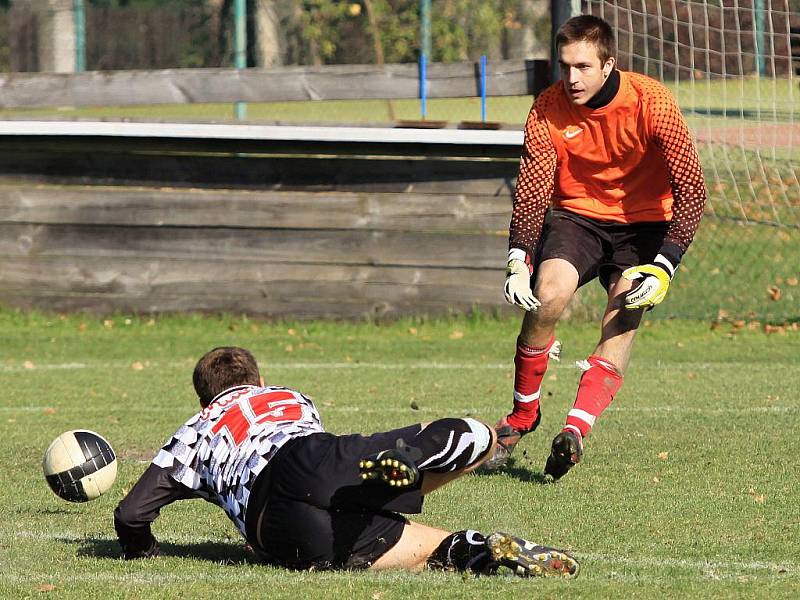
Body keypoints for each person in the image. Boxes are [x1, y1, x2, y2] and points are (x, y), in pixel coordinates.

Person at [114, 346, 579, 578]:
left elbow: (131, 514)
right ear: (259, 379)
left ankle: (475, 549)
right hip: (307, 461)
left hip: (272, 530)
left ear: (203, 398)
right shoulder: (289, 398)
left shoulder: (192, 433)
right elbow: (310, 460)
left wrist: (144, 551)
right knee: (474, 434)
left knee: (413, 551)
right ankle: (427, 456)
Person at [484, 14, 706, 479]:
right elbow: (532, 188)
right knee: (548, 295)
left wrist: (665, 265)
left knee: (623, 309)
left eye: (583, 67)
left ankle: (575, 431)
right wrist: (517, 259)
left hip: (645, 223)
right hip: (577, 217)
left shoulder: (653, 102)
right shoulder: (547, 107)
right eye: (565, 66)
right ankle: (522, 417)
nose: (572, 78)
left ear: (609, 64)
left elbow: (692, 189)